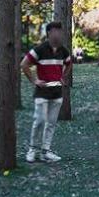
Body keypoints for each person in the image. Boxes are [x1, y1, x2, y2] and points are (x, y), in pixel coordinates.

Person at [22, 21, 72, 163]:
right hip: (42, 93)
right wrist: (34, 81)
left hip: (57, 93)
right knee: (39, 121)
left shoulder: (63, 51)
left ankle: (46, 151)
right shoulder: (40, 49)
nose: (59, 34)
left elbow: (69, 64)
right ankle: (32, 150)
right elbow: (24, 64)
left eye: (60, 31)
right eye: (56, 31)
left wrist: (63, 77)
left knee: (51, 123)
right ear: (49, 33)